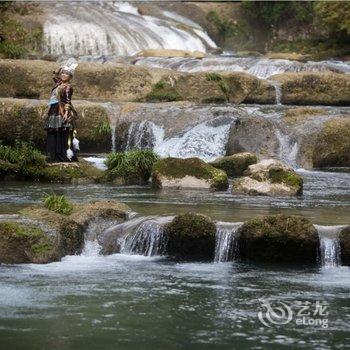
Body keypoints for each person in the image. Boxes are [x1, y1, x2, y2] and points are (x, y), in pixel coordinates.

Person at [45, 60, 78, 162]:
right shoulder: (58, 83)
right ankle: (53, 153)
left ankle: (61, 154)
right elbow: (54, 76)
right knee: (54, 130)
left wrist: (66, 113)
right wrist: (60, 68)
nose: (64, 75)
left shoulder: (68, 87)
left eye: (67, 74)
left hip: (61, 110)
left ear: (70, 77)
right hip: (53, 109)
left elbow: (68, 101)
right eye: (62, 73)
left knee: (60, 130)